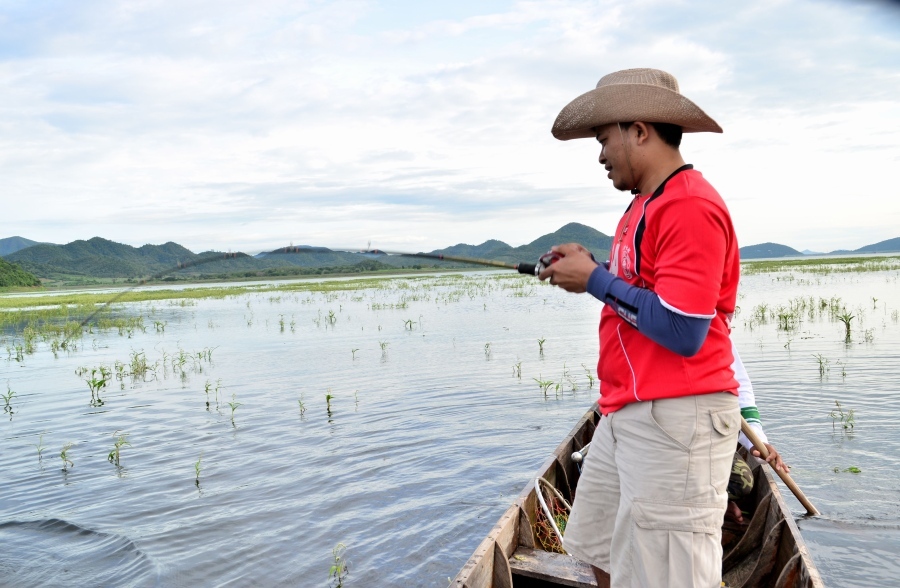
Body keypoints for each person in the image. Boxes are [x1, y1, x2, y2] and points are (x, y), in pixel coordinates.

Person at [539, 68, 740, 587]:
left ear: (640, 130)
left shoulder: (688, 205)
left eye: (604, 138)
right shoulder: (640, 208)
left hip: (678, 418)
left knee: (666, 575)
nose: (600, 154)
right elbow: (638, 290)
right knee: (600, 548)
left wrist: (595, 282)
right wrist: (591, 268)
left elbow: (682, 329)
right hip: (629, 413)